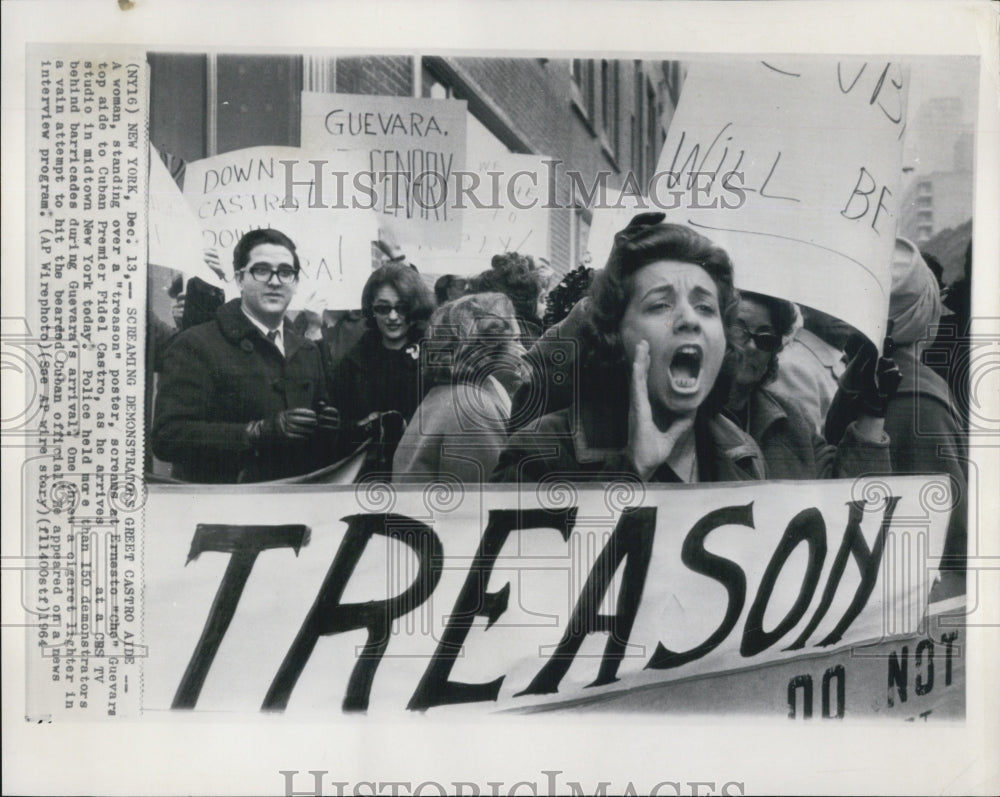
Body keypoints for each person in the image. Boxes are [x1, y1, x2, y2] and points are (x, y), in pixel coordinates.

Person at [492, 213, 767, 484]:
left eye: (705, 307)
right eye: (661, 304)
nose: (690, 320)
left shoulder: (744, 453)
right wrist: (631, 472)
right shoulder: (535, 455)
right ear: (615, 333)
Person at [152, 228, 340, 483]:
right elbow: (168, 437)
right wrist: (255, 433)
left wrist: (328, 430)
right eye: (261, 270)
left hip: (295, 501)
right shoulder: (196, 344)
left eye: (285, 272)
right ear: (239, 279)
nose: (274, 281)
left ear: (295, 283)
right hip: (226, 507)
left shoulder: (306, 351)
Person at [725, 291, 891, 480]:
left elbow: (843, 492)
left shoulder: (792, 421)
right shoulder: (690, 418)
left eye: (766, 337)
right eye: (738, 331)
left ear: (774, 350)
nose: (752, 347)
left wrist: (872, 412)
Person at [393, 293, 525, 485]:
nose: (524, 350)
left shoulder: (456, 391)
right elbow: (489, 497)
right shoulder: (471, 406)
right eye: (515, 340)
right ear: (486, 347)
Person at [330, 262, 435, 473]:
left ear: (415, 309)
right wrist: (363, 427)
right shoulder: (351, 362)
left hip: (420, 473)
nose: (393, 317)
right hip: (366, 474)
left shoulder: (434, 360)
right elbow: (336, 429)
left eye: (402, 307)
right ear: (372, 310)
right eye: (383, 308)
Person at [770, 305, 851, 435]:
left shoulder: (842, 360)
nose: (842, 311)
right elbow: (807, 448)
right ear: (805, 308)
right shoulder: (794, 367)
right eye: (831, 300)